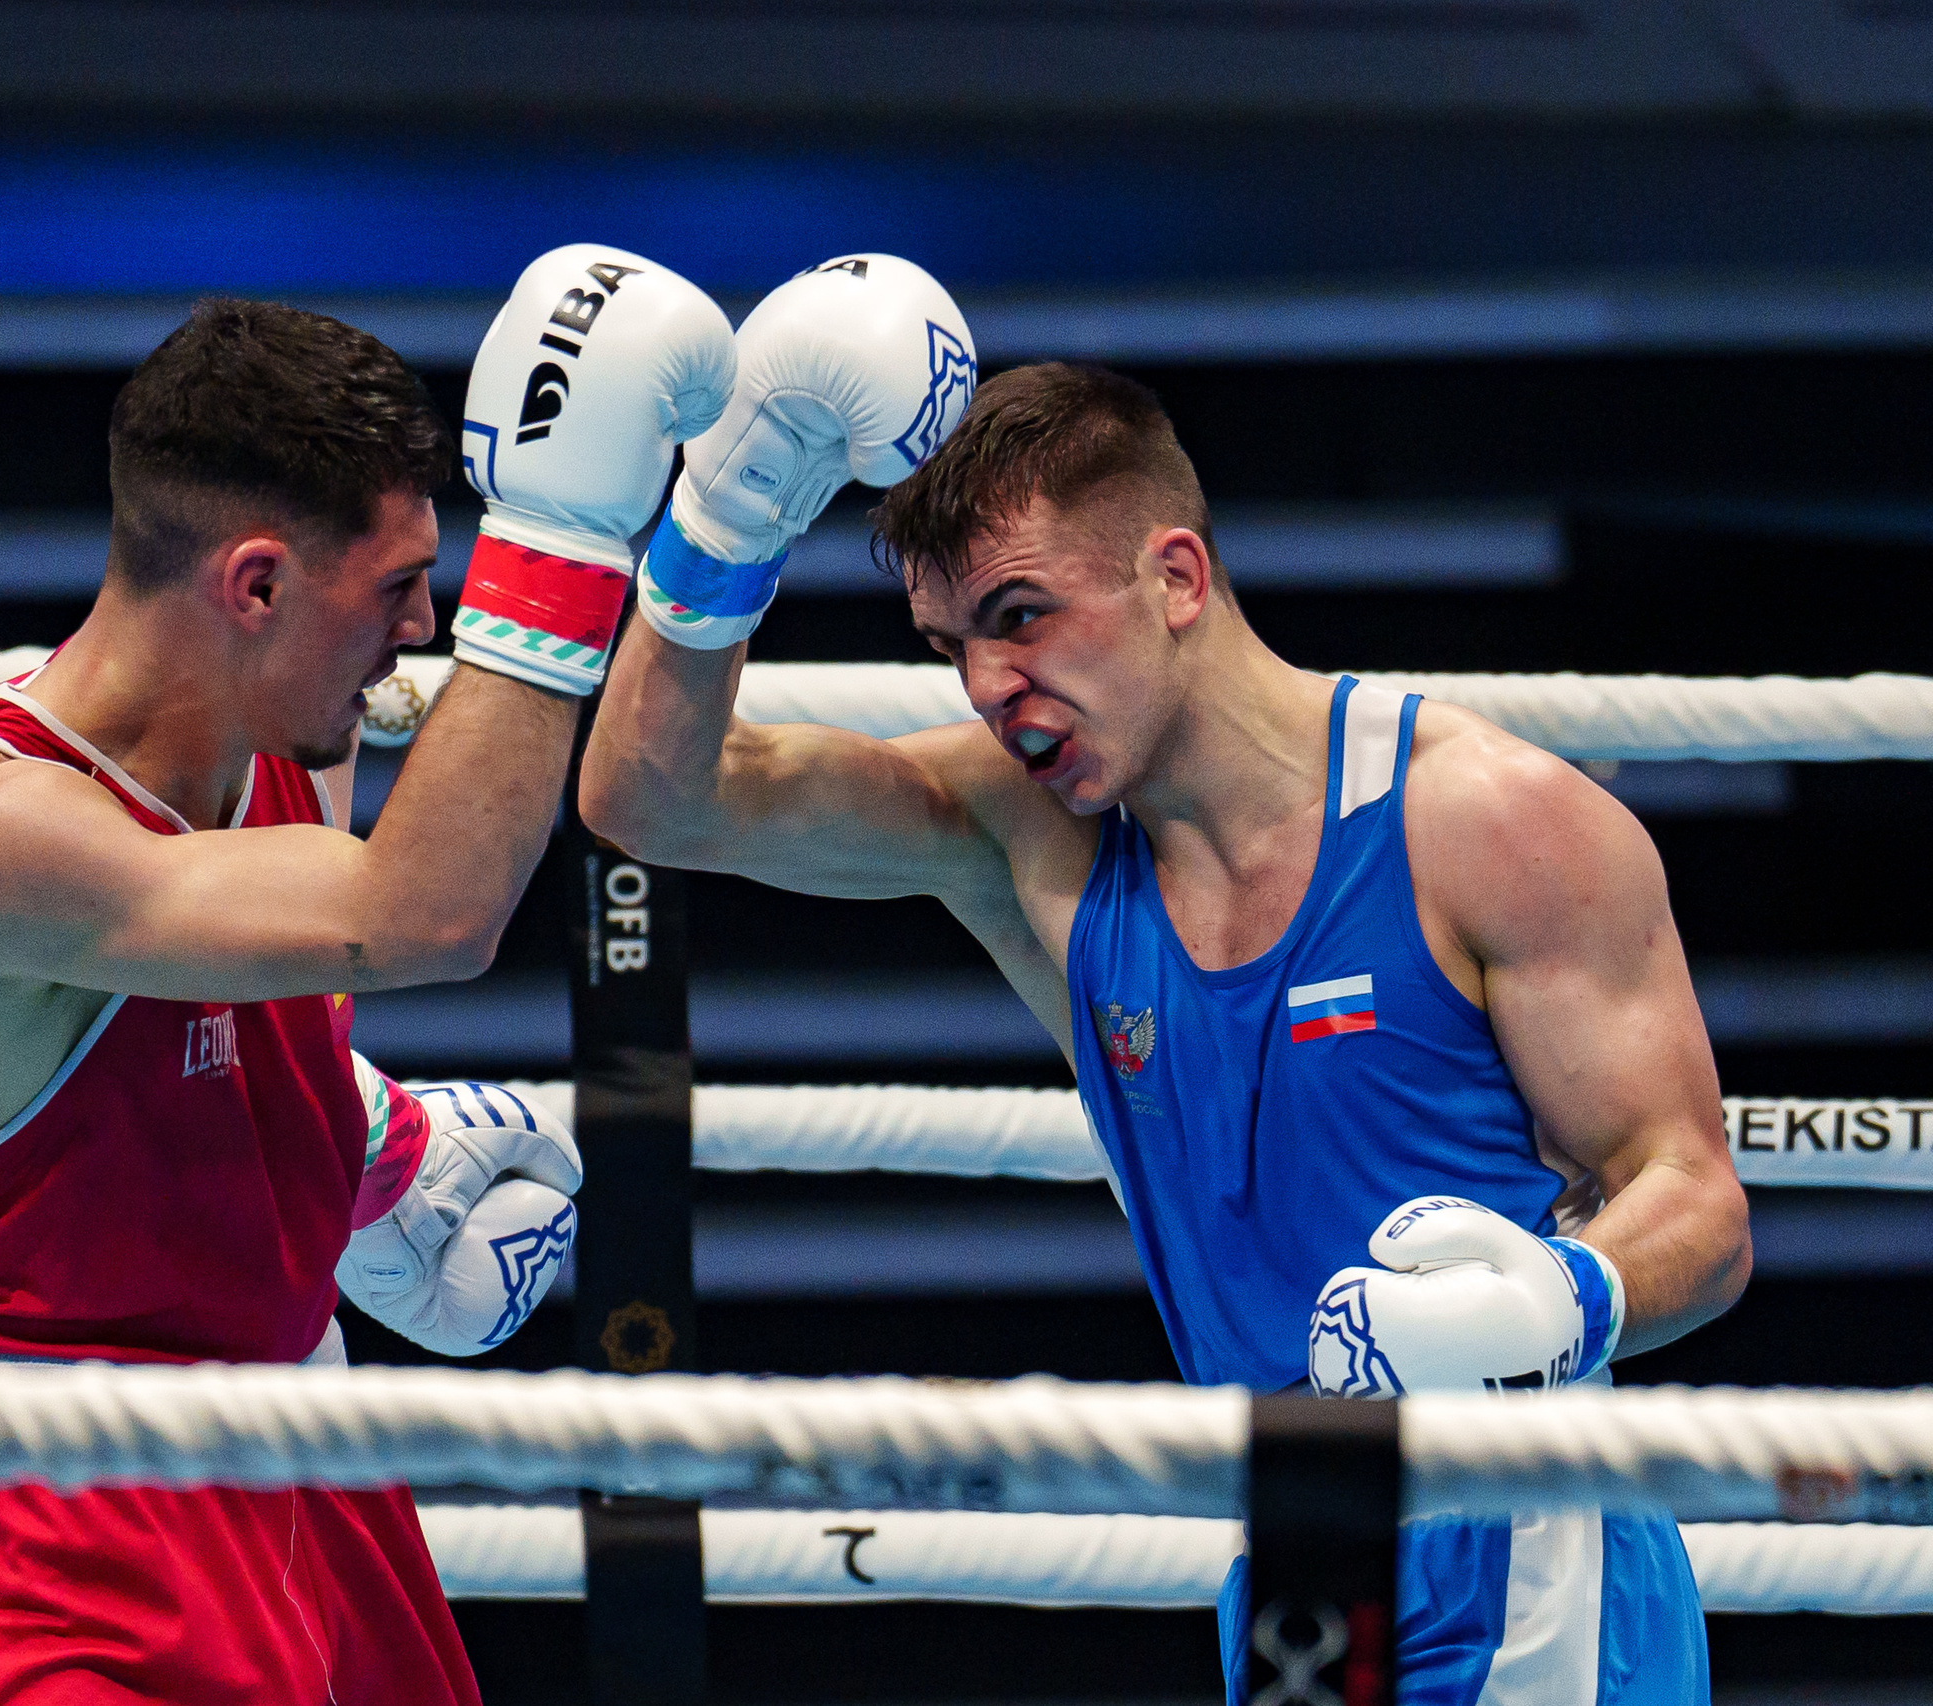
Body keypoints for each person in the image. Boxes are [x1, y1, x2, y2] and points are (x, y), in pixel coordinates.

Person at [580, 349, 1751, 1700]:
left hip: (1531, 1539)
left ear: (1175, 578)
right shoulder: (1033, 840)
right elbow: (651, 803)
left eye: (1021, 614)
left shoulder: (1483, 820)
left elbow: (1699, 1203)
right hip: (1282, 1552)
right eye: (953, 644)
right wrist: (727, 515)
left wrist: (1553, 1298)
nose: (985, 684)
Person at [0, 251, 736, 1704]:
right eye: (396, 586)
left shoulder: (289, 744)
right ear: (254, 582)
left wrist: (363, 1166)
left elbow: (241, 1030)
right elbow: (427, 915)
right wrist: (565, 535)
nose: (422, 631)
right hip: (58, 1545)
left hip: (298, 1456)